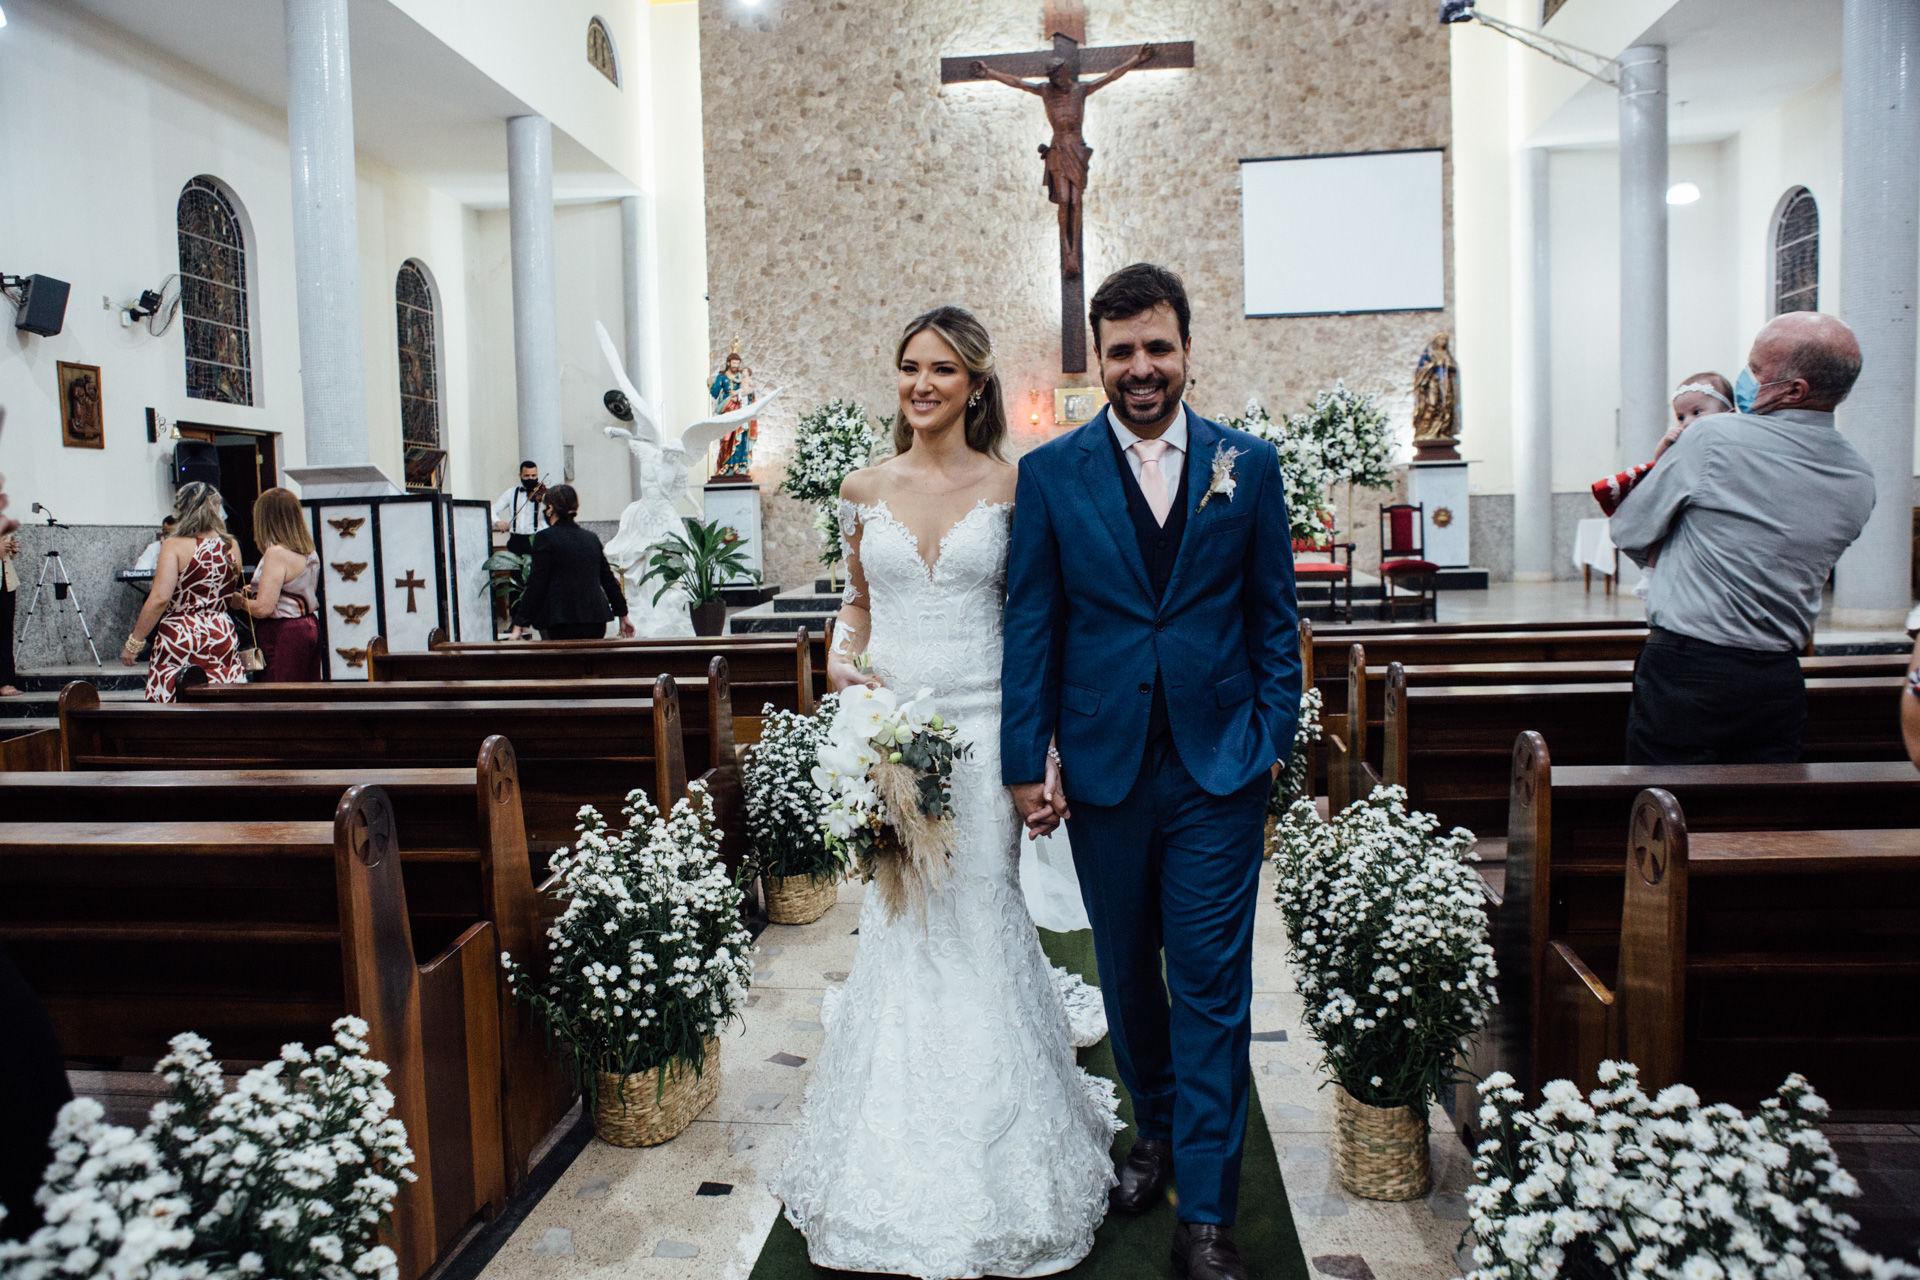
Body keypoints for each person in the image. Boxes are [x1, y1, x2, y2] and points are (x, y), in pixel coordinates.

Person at [773, 306, 1121, 1279]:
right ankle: (895, 1130)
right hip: (889, 735)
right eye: (908, 368)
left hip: (980, 735)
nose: (920, 383)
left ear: (973, 382)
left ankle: (1004, 1134)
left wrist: (1041, 743)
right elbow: (856, 602)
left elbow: (1036, 617)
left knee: (979, 911)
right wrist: (845, 669)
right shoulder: (861, 486)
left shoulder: (1016, 486)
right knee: (900, 922)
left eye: (940, 369)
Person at [1001, 264, 1301, 1280]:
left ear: (1186, 349)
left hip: (1219, 768)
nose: (1141, 368)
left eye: (1158, 347)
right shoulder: (1051, 475)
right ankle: (1159, 1129)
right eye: (1122, 350)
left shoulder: (1246, 466)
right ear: (1099, 357)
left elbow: (1275, 619)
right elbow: (1034, 622)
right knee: (1128, 973)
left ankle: (1206, 1212)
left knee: (1213, 984)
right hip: (1104, 766)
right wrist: (1023, 760)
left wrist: (1269, 737)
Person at [1612, 313, 1876, 765]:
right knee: (1759, 821)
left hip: (1687, 671)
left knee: (1665, 816)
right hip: (1777, 679)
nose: (1745, 379)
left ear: (1795, 390)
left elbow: (1630, 530)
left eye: (1755, 370)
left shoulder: (1713, 438)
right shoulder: (1859, 477)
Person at [1592, 373, 1736, 600]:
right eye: (1680, 417)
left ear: (1729, 416)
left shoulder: (1733, 439)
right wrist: (1665, 444)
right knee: (1660, 528)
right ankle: (1650, 573)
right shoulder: (1682, 440)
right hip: (1678, 499)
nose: (1687, 422)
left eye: (1697, 413)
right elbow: (1661, 466)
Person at [122, 482, 246, 702]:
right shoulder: (230, 545)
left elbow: (160, 598)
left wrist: (135, 642)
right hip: (221, 630)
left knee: (175, 700)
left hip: (181, 633)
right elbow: (226, 590)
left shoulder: (174, 546)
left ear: (182, 509)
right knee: (222, 700)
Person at [507, 484, 635, 641]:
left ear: (550, 509)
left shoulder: (545, 538)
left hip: (559, 620)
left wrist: (519, 623)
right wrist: (623, 614)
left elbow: (537, 583)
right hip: (594, 620)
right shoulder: (590, 538)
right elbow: (608, 580)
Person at [227, 488, 320, 682]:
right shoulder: (309, 551)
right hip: (308, 626)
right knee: (306, 693)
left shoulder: (276, 553)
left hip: (283, 633)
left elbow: (263, 608)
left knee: (281, 696)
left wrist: (240, 602)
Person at [491, 460, 546, 555]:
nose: (530, 478)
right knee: (516, 569)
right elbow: (492, 509)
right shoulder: (511, 493)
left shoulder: (543, 494)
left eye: (533, 476)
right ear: (520, 476)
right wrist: (498, 522)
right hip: (515, 540)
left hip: (536, 539)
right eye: (527, 476)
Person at [0, 528, 18, 697]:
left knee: (6, 633)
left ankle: (7, 679)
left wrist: (11, 550)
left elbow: (7, 556)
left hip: (6, 583)